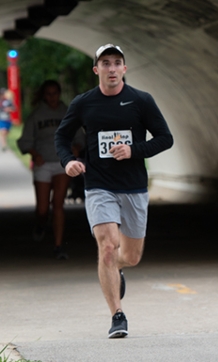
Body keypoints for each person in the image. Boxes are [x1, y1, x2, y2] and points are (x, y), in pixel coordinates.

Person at [54, 44, 173, 339]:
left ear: (124, 69)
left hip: (133, 186)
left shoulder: (141, 101)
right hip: (98, 185)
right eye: (105, 63)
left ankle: (117, 269)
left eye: (116, 62)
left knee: (130, 256)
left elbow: (165, 139)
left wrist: (134, 150)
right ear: (96, 69)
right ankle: (117, 315)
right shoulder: (84, 103)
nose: (111, 68)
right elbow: (62, 136)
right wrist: (68, 161)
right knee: (107, 246)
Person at [17, 80, 79, 259]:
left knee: (58, 204)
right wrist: (34, 154)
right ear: (43, 96)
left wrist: (76, 147)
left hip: (62, 163)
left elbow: (79, 136)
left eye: (55, 93)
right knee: (43, 209)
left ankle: (58, 246)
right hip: (43, 164)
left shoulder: (67, 112)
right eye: (48, 94)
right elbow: (25, 140)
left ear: (59, 94)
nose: (52, 97)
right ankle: (41, 224)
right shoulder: (36, 115)